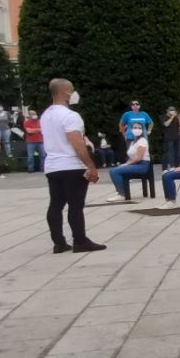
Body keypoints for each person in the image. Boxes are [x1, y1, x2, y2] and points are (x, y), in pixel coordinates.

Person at [40, 79, 105, 253]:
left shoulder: (46, 115)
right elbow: (77, 143)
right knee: (75, 205)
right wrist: (90, 166)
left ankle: (59, 242)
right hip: (70, 165)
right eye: (72, 90)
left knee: (56, 204)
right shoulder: (70, 116)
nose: (74, 93)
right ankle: (80, 240)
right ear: (64, 92)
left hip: (53, 166)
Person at [105, 122, 152, 202]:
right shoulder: (133, 142)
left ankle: (121, 194)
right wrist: (125, 164)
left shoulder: (142, 141)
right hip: (135, 164)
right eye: (135, 127)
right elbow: (131, 157)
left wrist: (126, 164)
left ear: (142, 130)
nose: (137, 129)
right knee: (113, 170)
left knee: (115, 172)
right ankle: (121, 192)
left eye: (139, 128)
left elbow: (139, 157)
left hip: (142, 165)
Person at [20, 108, 44, 173]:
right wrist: (38, 129)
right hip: (30, 141)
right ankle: (30, 169)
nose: (34, 115)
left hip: (40, 140)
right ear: (29, 115)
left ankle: (43, 168)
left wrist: (34, 130)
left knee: (43, 155)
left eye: (35, 114)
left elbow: (43, 130)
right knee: (30, 156)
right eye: (32, 114)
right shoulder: (26, 122)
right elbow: (29, 131)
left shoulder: (40, 121)